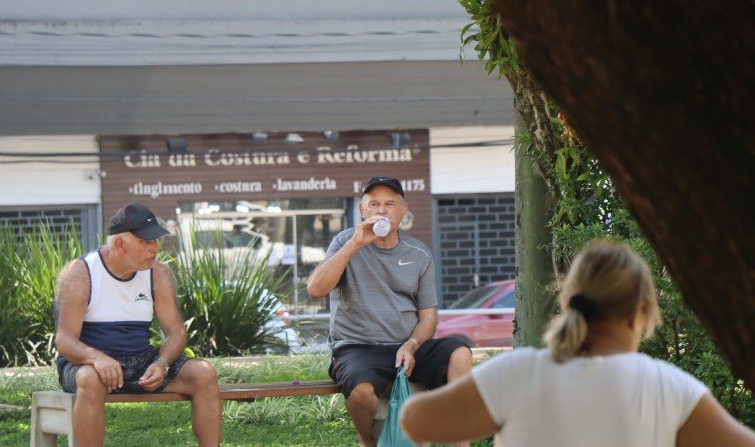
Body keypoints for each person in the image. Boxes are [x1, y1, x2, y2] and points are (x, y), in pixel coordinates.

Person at [400, 240, 755, 447]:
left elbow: (415, 420)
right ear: (639, 313)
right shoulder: (668, 386)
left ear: (568, 304)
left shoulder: (519, 372)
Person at [307, 176, 473, 447]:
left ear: (403, 210)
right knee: (361, 392)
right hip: (357, 347)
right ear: (362, 210)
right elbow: (316, 290)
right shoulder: (345, 242)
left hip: (406, 348)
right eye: (373, 204)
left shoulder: (419, 253)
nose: (381, 210)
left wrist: (412, 344)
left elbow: (428, 316)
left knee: (460, 353)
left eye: (389, 204)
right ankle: (368, 442)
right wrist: (355, 245)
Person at [54, 202, 221, 447]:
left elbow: (176, 332)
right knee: (91, 378)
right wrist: (97, 358)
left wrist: (161, 363)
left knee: (204, 373)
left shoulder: (157, 273)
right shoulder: (81, 273)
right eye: (145, 242)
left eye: (155, 242)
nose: (154, 249)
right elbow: (64, 341)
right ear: (120, 244)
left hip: (140, 362)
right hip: (87, 365)